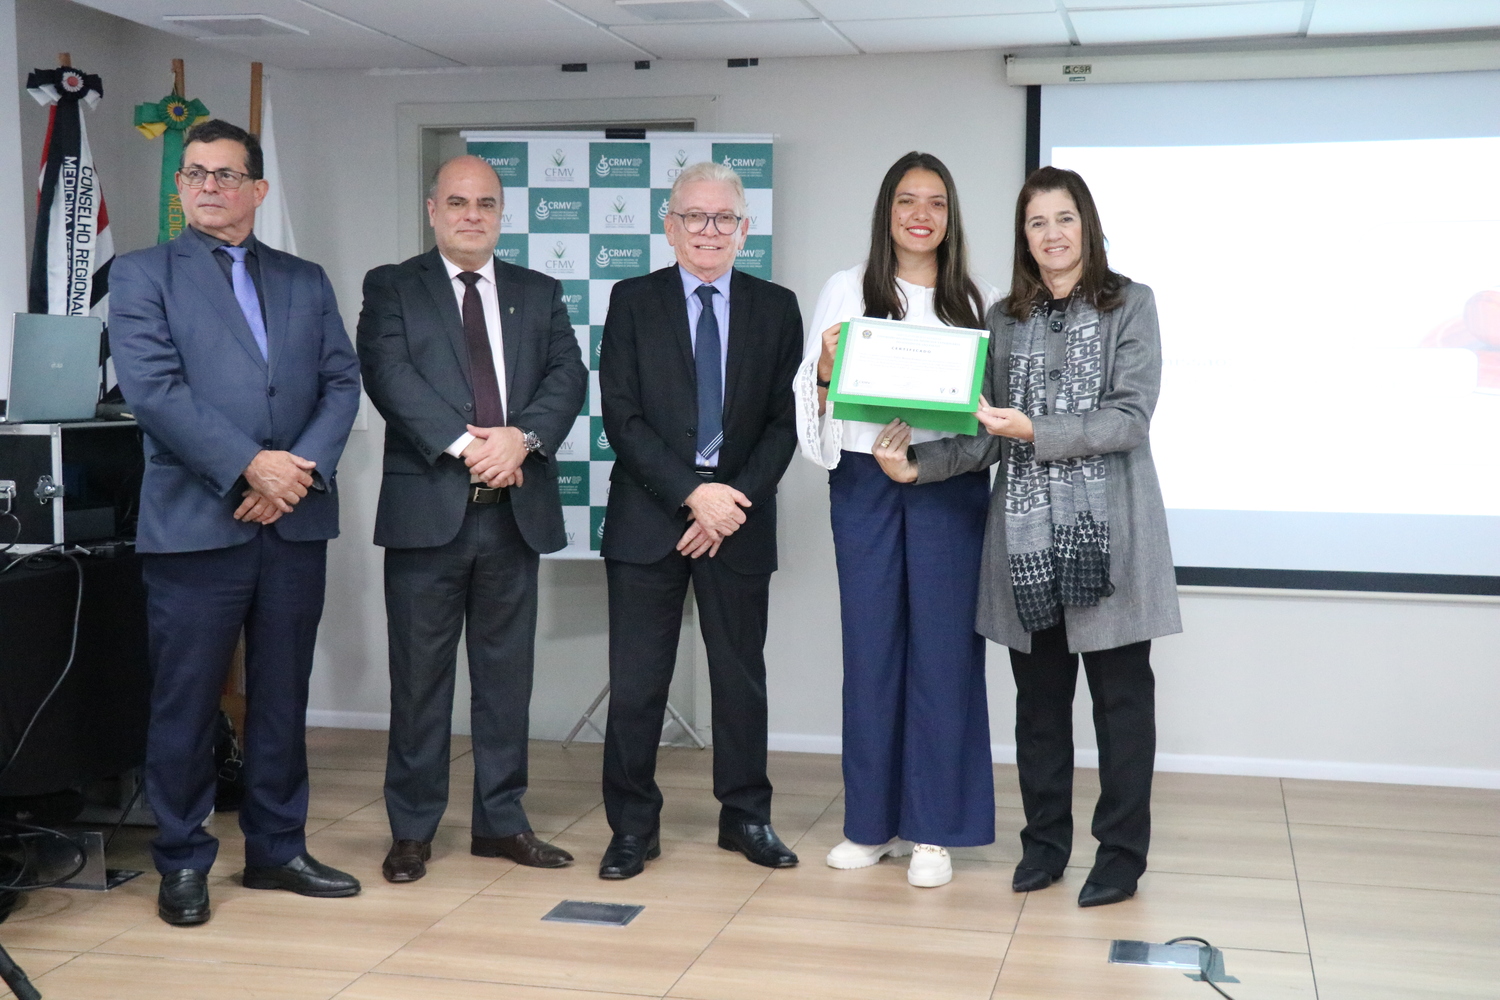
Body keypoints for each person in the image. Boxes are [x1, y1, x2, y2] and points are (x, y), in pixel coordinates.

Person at [873, 165, 1181, 907]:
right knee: (1039, 712)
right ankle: (1044, 847)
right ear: (1024, 236)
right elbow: (986, 433)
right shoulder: (1004, 318)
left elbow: (1129, 419)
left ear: (1088, 225)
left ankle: (1121, 858)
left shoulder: (1131, 303)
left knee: (1122, 711)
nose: (1052, 234)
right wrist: (917, 465)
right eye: (1037, 222)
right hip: (1025, 547)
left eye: (1064, 218)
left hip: (1112, 542)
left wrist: (1035, 429)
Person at [109, 118, 363, 926]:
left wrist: (294, 473)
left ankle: (277, 849)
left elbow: (342, 382)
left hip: (291, 524)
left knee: (283, 697)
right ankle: (183, 860)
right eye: (194, 174)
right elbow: (154, 392)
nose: (208, 186)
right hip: (196, 525)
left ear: (258, 188)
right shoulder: (143, 274)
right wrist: (252, 466)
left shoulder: (304, 279)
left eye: (225, 174)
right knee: (187, 704)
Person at [356, 155, 587, 883]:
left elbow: (568, 376)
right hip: (428, 513)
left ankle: (501, 822)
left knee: (505, 680)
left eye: (486, 203)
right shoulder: (393, 286)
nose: (471, 215)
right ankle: (412, 830)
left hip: (513, 514)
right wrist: (472, 448)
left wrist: (523, 440)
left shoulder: (539, 292)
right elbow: (388, 376)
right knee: (419, 681)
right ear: (433, 210)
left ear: (501, 213)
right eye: (457, 202)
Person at [792, 152, 999, 889]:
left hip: (948, 485)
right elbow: (809, 396)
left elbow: (987, 419)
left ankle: (935, 831)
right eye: (907, 200)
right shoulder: (846, 288)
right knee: (872, 650)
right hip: (863, 484)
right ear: (887, 211)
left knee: (944, 654)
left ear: (951, 215)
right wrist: (825, 370)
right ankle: (871, 825)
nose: (921, 215)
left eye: (936, 202)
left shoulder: (977, 299)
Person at [597, 161, 803, 879]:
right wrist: (693, 495)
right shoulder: (631, 300)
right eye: (693, 216)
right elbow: (621, 415)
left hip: (738, 519)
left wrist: (726, 504)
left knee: (740, 679)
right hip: (650, 516)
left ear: (744, 229)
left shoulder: (777, 308)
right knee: (636, 683)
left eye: (723, 218)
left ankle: (745, 816)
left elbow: (785, 423)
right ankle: (631, 827)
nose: (708, 230)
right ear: (669, 225)